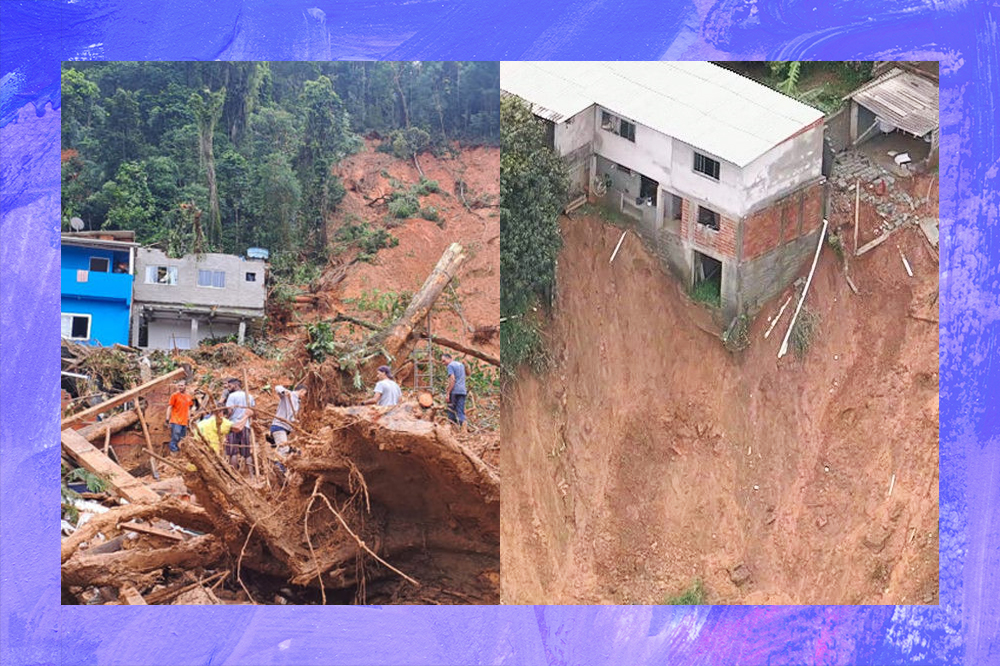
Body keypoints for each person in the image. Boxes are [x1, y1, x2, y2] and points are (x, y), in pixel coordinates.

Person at [224, 378, 256, 468]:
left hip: (233, 426)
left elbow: (229, 411)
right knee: (247, 453)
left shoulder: (232, 396)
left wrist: (226, 418)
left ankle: (234, 474)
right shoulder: (249, 396)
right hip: (246, 426)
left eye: (230, 386)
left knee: (232, 452)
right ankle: (251, 475)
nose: (228, 388)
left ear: (236, 385)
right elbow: (253, 412)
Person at [271, 383, 306, 447]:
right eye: (304, 393)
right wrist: (285, 391)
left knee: (285, 449)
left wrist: (295, 421)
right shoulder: (289, 394)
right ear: (302, 390)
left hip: (285, 428)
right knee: (283, 449)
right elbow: (277, 387)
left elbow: (291, 417)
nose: (304, 396)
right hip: (279, 426)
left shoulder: (297, 402)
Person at [164, 380, 194, 453]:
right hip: (175, 420)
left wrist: (189, 419)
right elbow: (170, 407)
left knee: (182, 438)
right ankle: (174, 452)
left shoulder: (188, 397)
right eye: (179, 385)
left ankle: (180, 452)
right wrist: (167, 419)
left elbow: (188, 409)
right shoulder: (174, 395)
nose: (180, 387)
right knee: (175, 436)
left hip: (184, 421)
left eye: (182, 385)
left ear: (185, 386)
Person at [441, 353, 468, 430]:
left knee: (451, 410)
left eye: (444, 361)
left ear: (449, 359)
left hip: (455, 391)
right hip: (462, 390)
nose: (443, 363)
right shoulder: (461, 365)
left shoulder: (450, 366)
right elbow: (467, 374)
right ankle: (463, 428)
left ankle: (452, 428)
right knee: (460, 410)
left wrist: (448, 393)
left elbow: (452, 379)